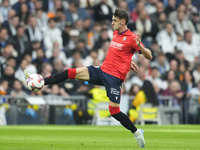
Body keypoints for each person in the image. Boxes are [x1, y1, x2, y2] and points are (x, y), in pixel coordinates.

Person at [24, 8, 152, 148]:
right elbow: (120, 53)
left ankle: (137, 132)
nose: (112, 23)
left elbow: (149, 56)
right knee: (70, 72)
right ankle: (43, 81)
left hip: (114, 78)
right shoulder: (115, 33)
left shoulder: (133, 38)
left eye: (114, 20)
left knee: (114, 111)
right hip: (101, 71)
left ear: (123, 21)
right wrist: (128, 61)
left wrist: (142, 48)